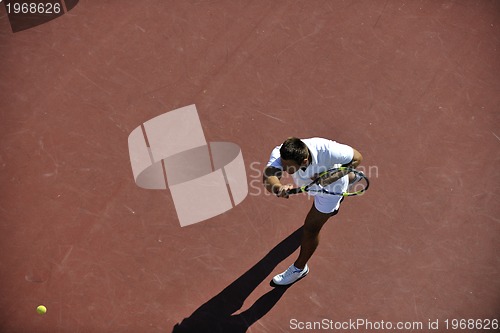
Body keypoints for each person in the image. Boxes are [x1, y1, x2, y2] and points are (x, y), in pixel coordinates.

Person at [263, 137, 363, 285]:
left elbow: (357, 157)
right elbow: (269, 176)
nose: (283, 168)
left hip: (331, 188)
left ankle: (299, 269)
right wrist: (278, 188)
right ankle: (351, 178)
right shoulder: (281, 153)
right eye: (282, 164)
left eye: (287, 166)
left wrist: (328, 178)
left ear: (304, 161)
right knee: (326, 213)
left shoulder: (327, 150)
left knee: (310, 229)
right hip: (310, 184)